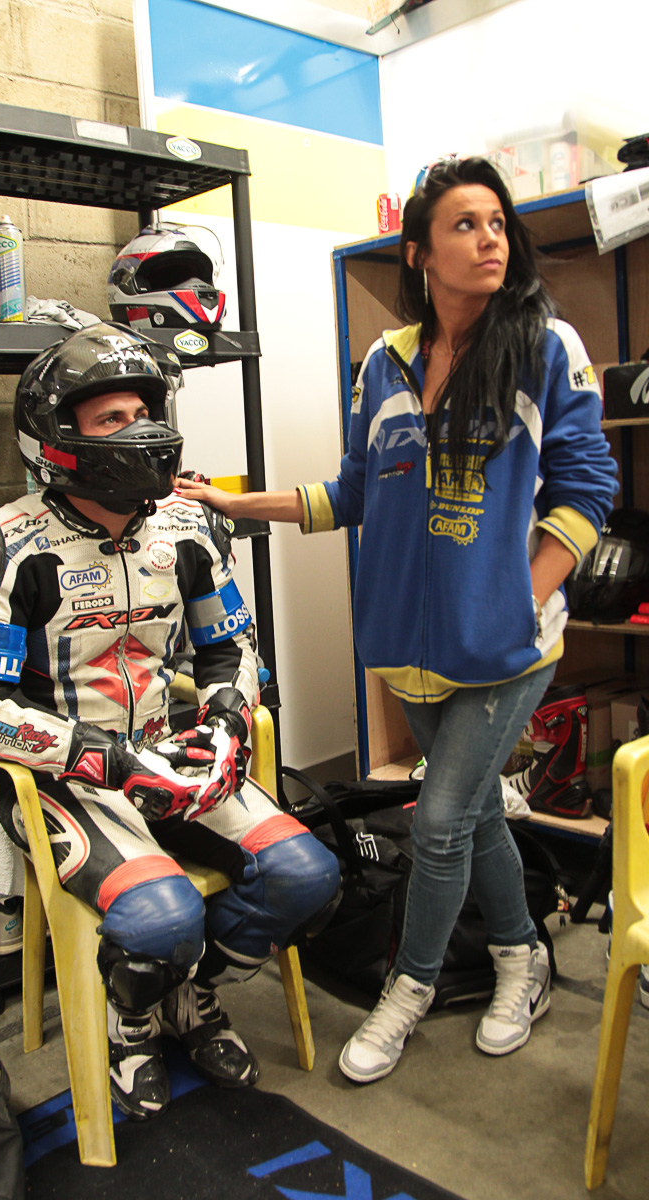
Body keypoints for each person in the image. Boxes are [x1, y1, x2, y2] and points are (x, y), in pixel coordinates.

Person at [177, 156, 619, 1083]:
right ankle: (522, 957)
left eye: (497, 223)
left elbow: (588, 486)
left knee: (444, 821)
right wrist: (237, 504)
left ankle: (408, 988)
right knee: (477, 819)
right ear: (419, 252)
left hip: (505, 649)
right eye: (465, 224)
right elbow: (353, 492)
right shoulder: (384, 363)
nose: (490, 239)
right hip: (405, 647)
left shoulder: (546, 345)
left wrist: (524, 593)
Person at [0, 323, 340, 1119]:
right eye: (112, 419)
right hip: (63, 776)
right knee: (165, 917)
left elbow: (231, 647)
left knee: (307, 877)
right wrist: (104, 759)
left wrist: (226, 722)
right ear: (55, 439)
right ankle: (132, 1023)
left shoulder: (190, 526)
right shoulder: (0, 547)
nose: (140, 431)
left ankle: (190, 998)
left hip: (169, 751)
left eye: (145, 412)